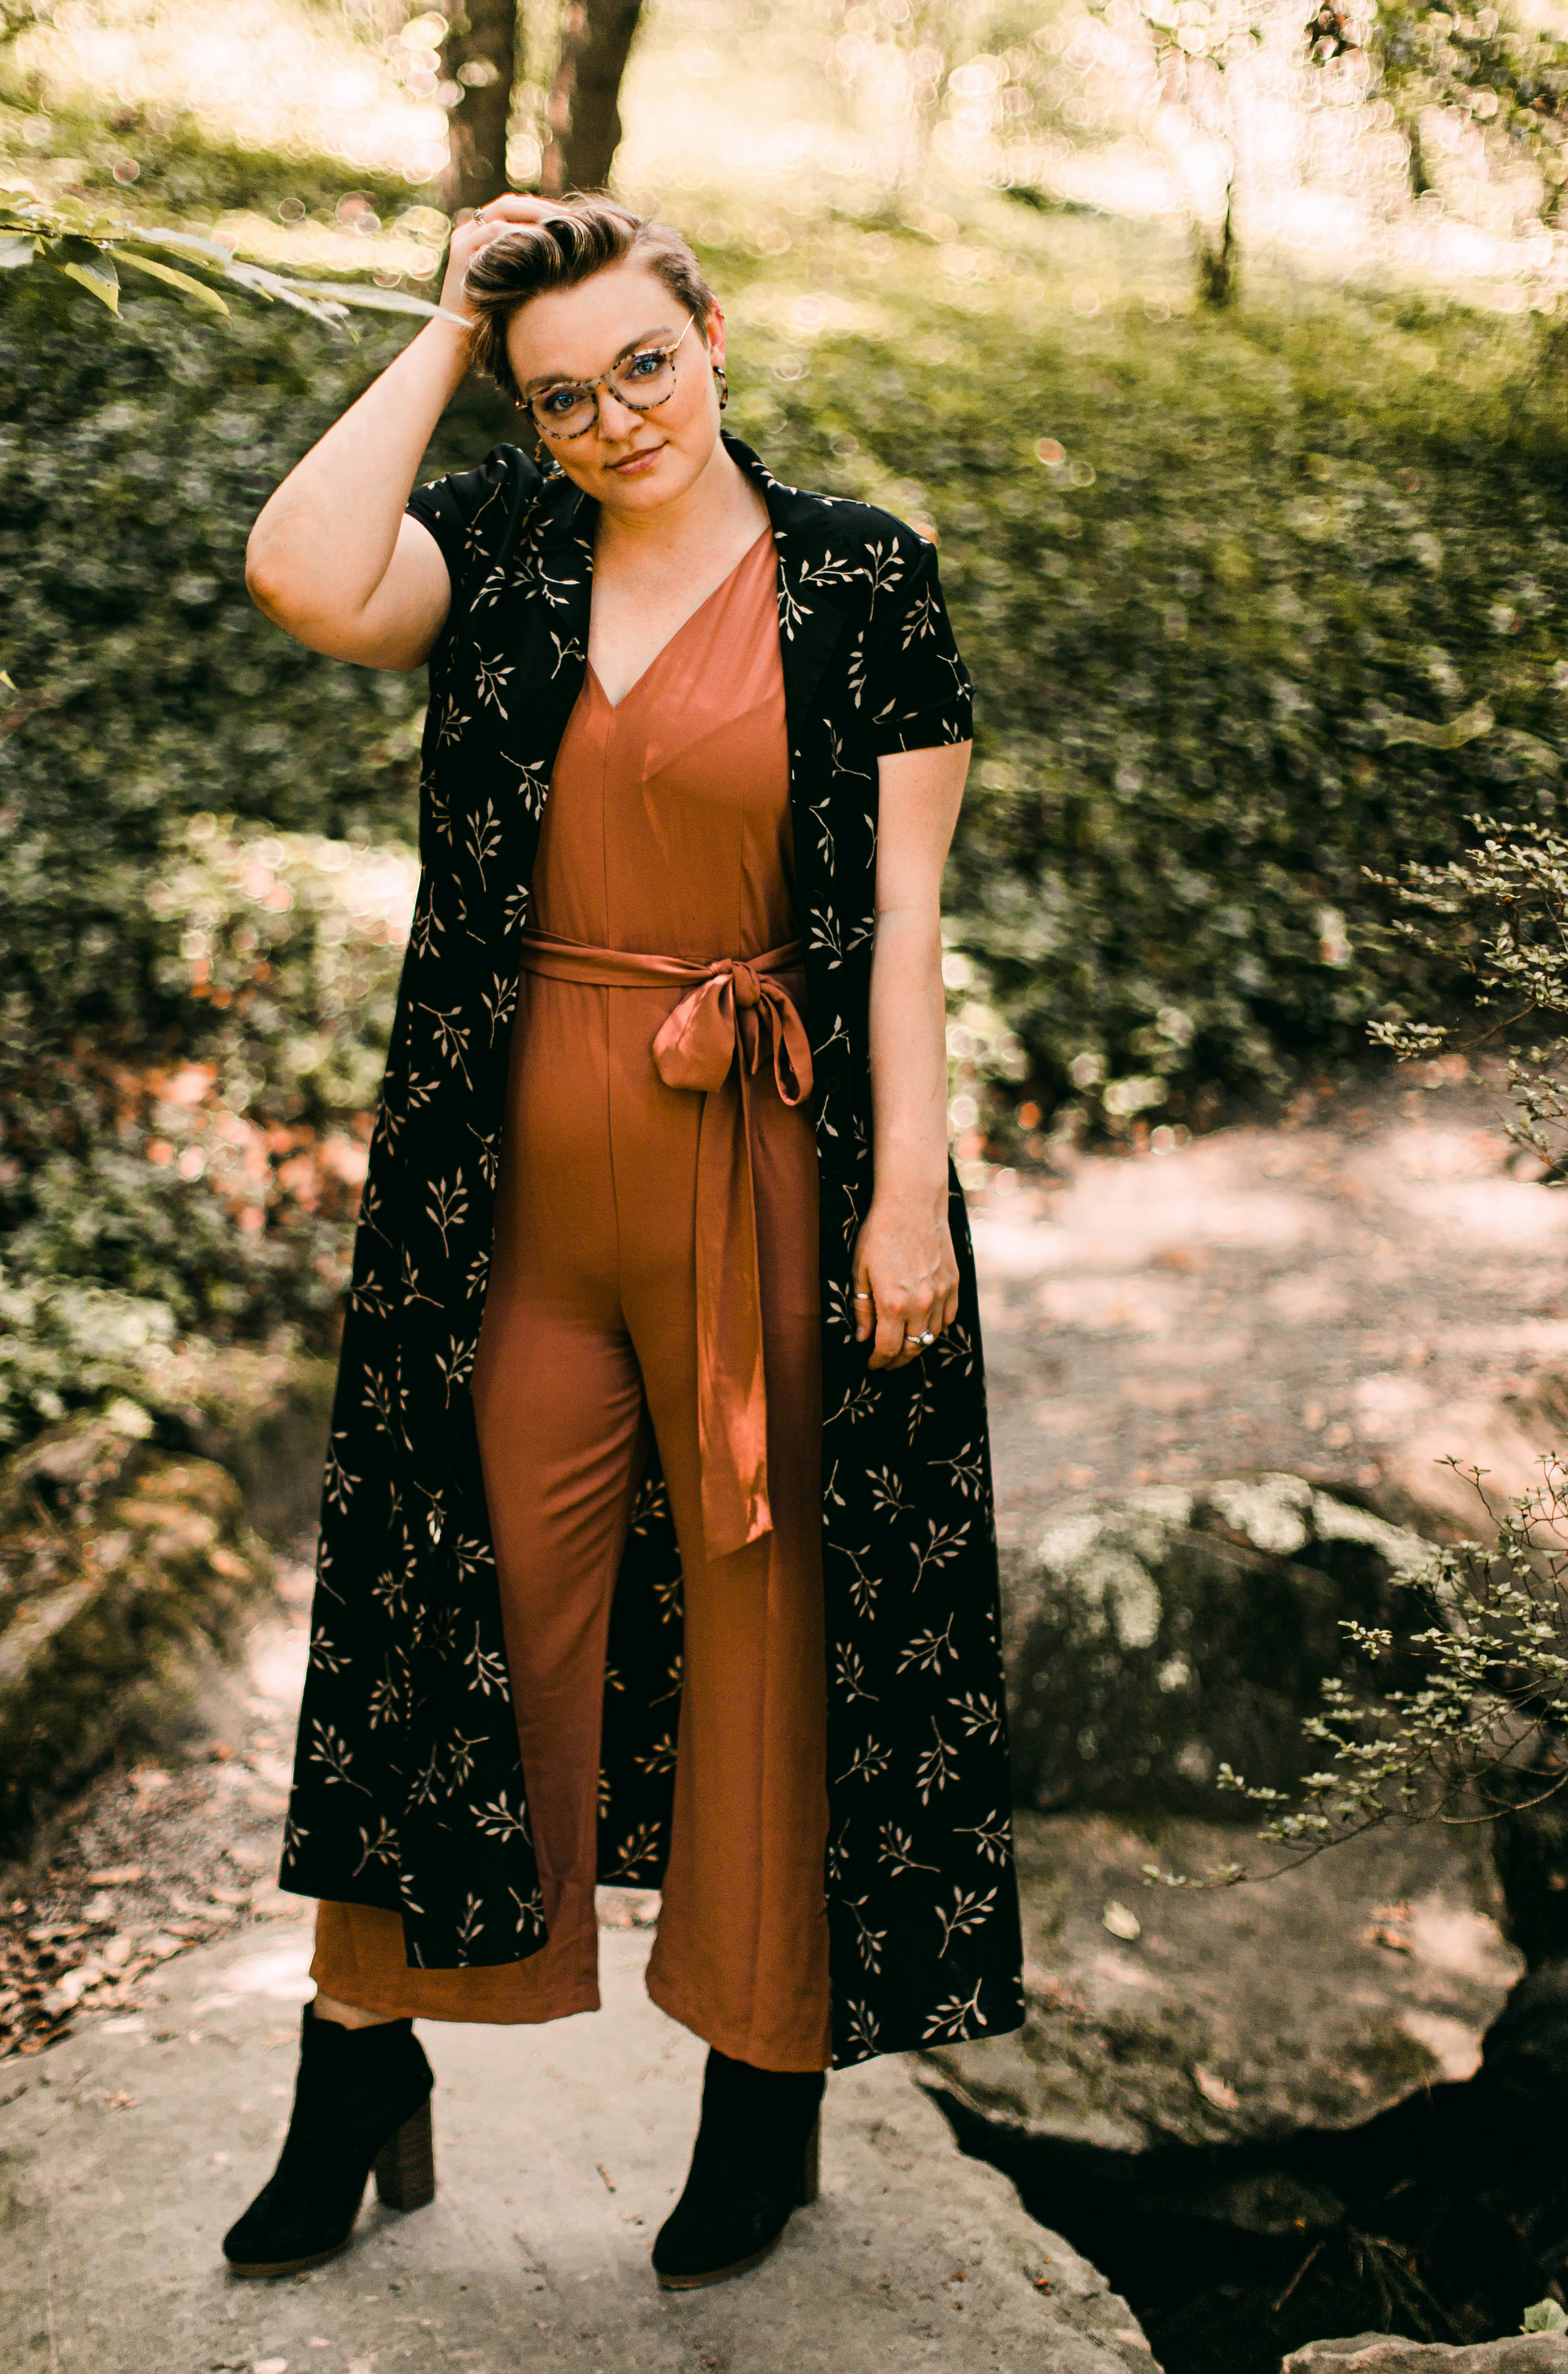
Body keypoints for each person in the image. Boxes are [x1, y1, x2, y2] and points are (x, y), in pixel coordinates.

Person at [225, 191, 1023, 2293]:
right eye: (563, 393)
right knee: (459, 1611)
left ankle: (761, 2095)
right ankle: (355, 2065)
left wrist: (907, 1191)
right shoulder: (494, 548)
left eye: (642, 365)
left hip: (761, 1154)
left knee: (773, 1638)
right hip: (506, 1187)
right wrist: (444, 320)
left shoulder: (862, 577)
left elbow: (911, 918)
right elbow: (303, 567)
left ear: (717, 332)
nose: (613, 418)